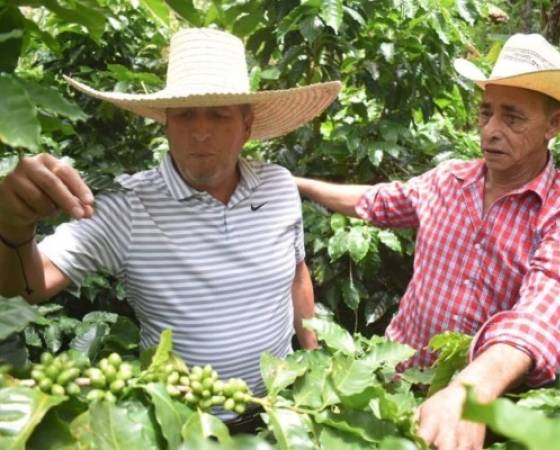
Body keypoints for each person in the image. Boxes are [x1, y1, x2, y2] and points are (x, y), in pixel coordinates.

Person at [0, 28, 340, 426]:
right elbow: (27, 286)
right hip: (182, 425)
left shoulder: (280, 186)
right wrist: (12, 224)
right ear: (165, 122)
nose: (200, 132)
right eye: (184, 114)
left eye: (218, 114)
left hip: (280, 415)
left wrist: (316, 368)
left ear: (246, 126)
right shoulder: (127, 207)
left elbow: (297, 275)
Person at [295, 33, 560, 450]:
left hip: (476, 420)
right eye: (486, 112)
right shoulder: (447, 181)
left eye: (512, 117)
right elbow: (374, 202)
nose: (491, 130)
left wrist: (469, 391)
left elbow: (543, 310)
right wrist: (297, 184)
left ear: (554, 124)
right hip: (395, 381)